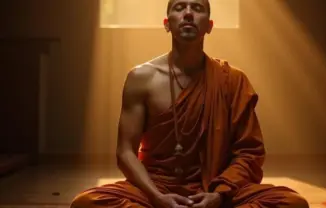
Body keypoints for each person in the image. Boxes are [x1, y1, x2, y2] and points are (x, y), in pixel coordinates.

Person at [71, 0, 309, 207]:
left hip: (215, 186)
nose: (187, 13)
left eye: (197, 8)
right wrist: (156, 198)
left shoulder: (232, 80)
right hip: (156, 186)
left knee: (292, 203)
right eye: (179, 7)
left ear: (209, 26)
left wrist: (219, 196)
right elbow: (125, 152)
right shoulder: (141, 78)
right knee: (86, 203)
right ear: (167, 24)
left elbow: (249, 152)